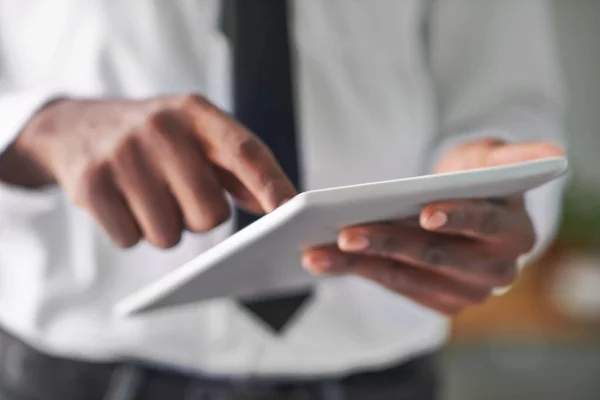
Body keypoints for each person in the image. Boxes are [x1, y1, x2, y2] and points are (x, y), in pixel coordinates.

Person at [0, 0, 566, 399]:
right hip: (76, 372)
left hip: (381, 371)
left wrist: (488, 184)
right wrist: (34, 130)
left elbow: (505, 94)